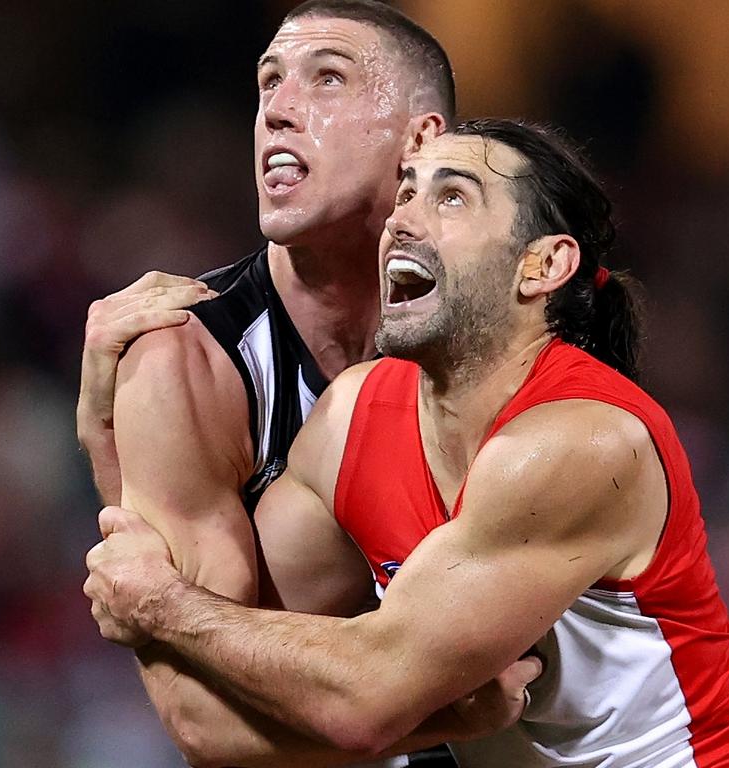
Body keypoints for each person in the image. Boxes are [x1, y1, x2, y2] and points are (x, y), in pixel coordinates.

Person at [85, 119, 729, 767]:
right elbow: (208, 718)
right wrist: (111, 441)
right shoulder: (352, 419)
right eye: (406, 194)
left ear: (542, 266)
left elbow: (357, 698)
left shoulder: (582, 441)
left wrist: (162, 606)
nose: (401, 220)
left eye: (452, 198)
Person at [76, 1, 533, 765]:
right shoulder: (184, 360)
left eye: (327, 80)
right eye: (268, 83)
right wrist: (452, 717)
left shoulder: (504, 337)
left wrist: (160, 601)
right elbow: (202, 724)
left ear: (421, 140)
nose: (279, 111)